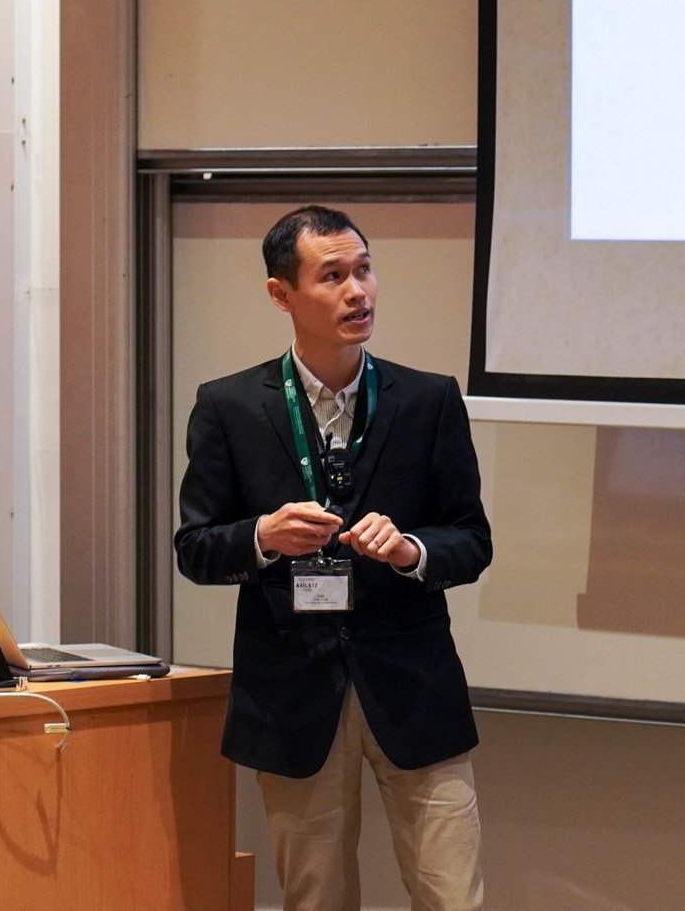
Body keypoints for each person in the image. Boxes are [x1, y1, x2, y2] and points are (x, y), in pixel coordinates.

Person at [176, 205, 491, 911]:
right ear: (281, 293)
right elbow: (195, 548)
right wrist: (262, 535)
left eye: (365, 270)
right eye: (333, 276)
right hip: (292, 693)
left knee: (452, 895)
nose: (358, 291)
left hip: (414, 686)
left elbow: (471, 538)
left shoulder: (428, 399)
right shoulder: (228, 406)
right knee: (315, 898)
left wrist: (410, 550)